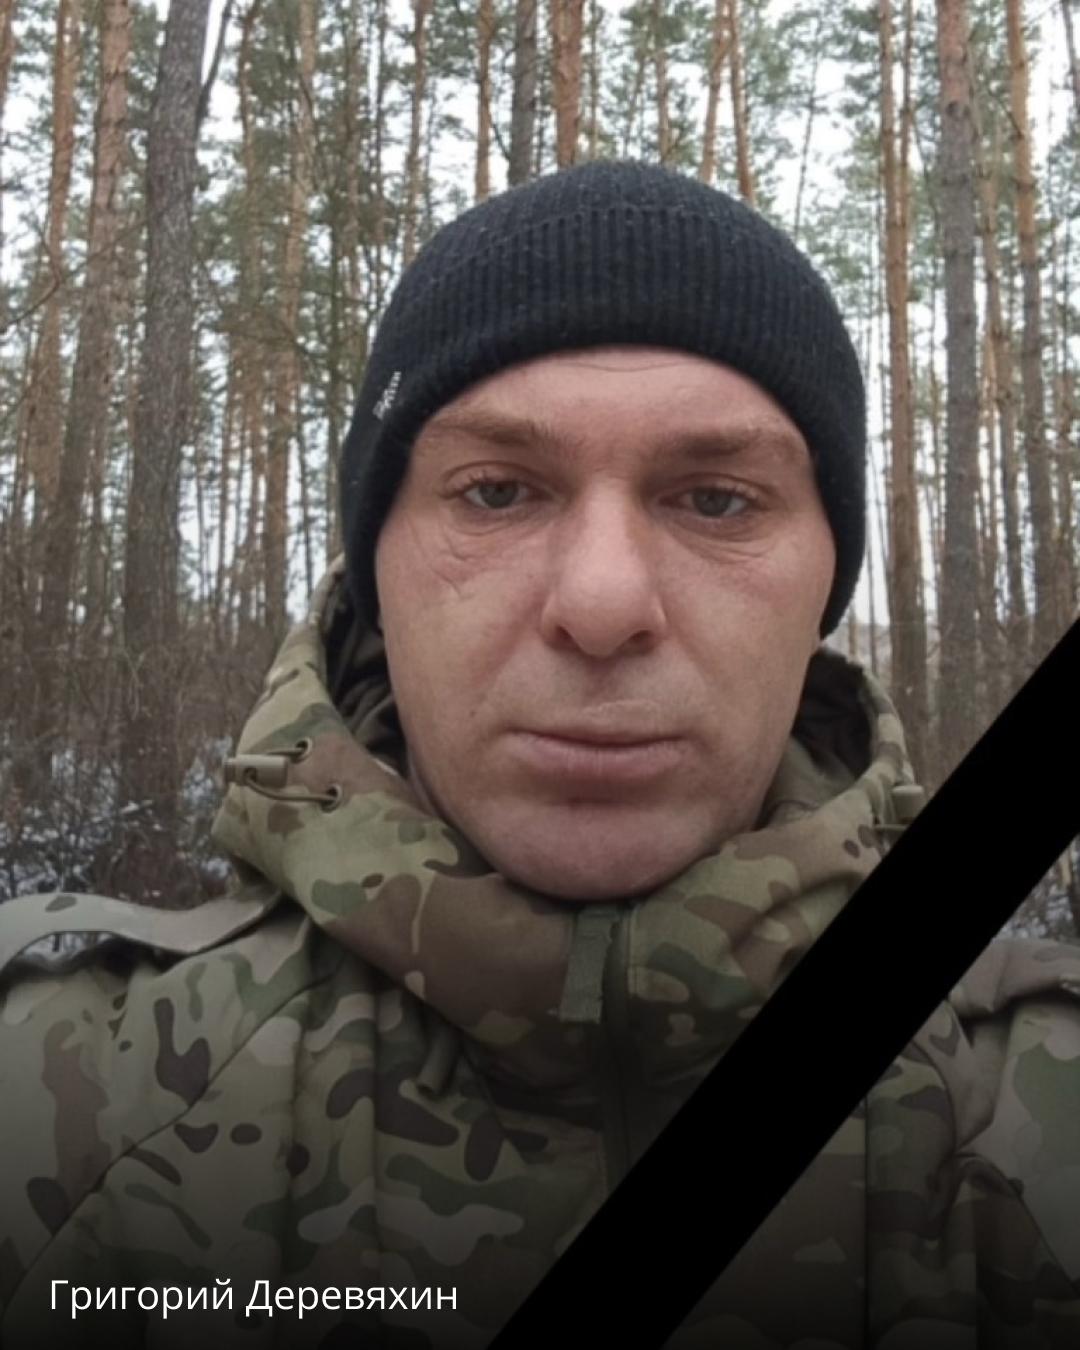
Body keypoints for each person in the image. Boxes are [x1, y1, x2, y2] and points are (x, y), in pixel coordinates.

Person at [1, 161, 1079, 1350]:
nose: (603, 603)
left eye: (717, 501)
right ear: (377, 572)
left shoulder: (1042, 1107)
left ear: (825, 581)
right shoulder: (55, 1090)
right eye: (497, 492)